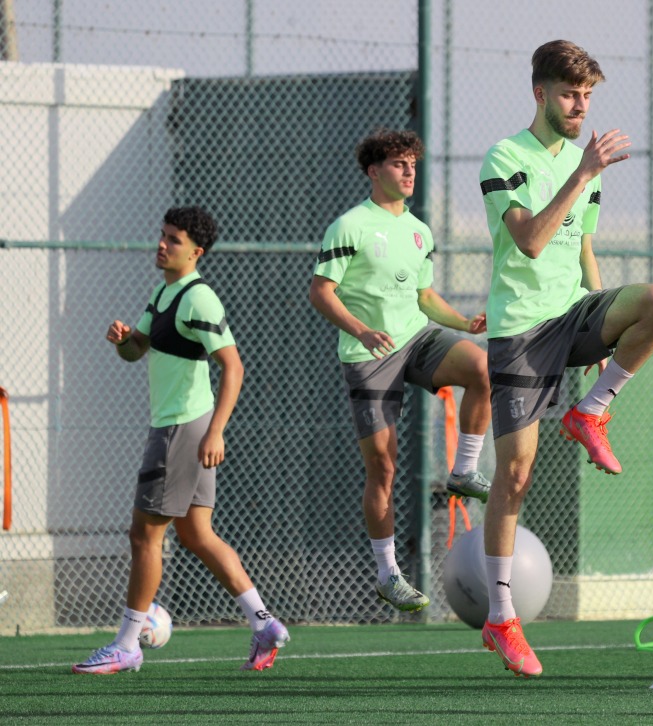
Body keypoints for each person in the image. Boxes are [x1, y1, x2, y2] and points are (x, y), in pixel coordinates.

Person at [477, 39, 653, 677]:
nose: (580, 107)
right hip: (520, 332)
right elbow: (534, 242)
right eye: (570, 95)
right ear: (540, 93)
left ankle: (592, 411)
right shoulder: (504, 157)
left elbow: (583, 248)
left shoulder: (581, 162)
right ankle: (502, 617)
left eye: (588, 96)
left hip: (573, 315)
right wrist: (583, 173)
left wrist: (602, 326)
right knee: (514, 478)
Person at [74, 207, 289, 674]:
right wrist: (124, 339)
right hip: (180, 427)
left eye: (173, 239)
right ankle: (264, 622)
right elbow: (137, 352)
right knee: (195, 533)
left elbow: (233, 366)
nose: (162, 244)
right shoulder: (162, 292)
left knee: (144, 535)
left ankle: (127, 645)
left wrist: (215, 431)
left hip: (180, 429)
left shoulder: (199, 298)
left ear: (196, 252)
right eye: (162, 235)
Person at [309, 128, 491, 613]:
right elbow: (320, 292)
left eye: (413, 163)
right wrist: (362, 330)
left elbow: (425, 298)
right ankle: (388, 573)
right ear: (374, 171)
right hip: (368, 355)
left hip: (416, 337)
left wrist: (464, 323)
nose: (409, 171)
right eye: (398, 164)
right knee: (383, 467)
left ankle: (465, 469)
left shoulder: (419, 230)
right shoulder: (349, 225)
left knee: (482, 366)